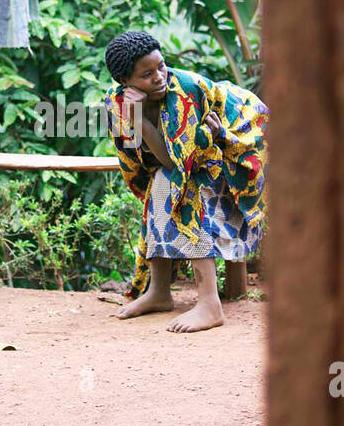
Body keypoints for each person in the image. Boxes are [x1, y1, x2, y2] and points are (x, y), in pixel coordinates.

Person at [103, 30, 267, 332]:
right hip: (196, 157)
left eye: (161, 66)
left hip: (238, 150)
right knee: (161, 184)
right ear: (125, 82)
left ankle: (209, 303)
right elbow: (136, 160)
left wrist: (140, 120)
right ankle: (159, 292)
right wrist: (136, 117)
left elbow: (177, 160)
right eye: (147, 74)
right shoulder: (116, 103)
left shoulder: (186, 92)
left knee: (184, 187)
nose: (159, 77)